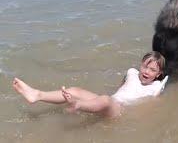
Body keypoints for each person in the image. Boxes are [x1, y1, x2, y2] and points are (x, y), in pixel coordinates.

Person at [12, 51, 168, 118]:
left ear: (159, 74)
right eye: (145, 66)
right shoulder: (132, 73)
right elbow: (121, 88)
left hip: (121, 111)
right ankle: (37, 95)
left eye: (152, 70)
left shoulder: (155, 87)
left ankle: (78, 105)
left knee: (106, 100)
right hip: (112, 101)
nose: (146, 71)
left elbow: (154, 105)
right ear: (140, 64)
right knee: (76, 90)